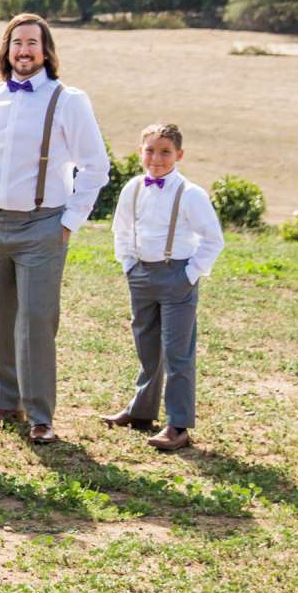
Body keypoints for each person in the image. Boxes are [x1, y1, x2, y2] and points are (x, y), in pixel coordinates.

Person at [0, 13, 110, 445]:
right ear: (6, 50)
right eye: (16, 43)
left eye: (32, 44)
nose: (23, 51)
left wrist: (69, 221)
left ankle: (41, 414)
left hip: (42, 225)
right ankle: (6, 404)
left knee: (37, 320)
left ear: (46, 51)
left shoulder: (68, 100)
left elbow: (96, 166)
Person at [104, 121, 224, 453]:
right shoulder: (133, 188)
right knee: (146, 344)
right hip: (141, 273)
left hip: (177, 276)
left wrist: (191, 273)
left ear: (179, 155)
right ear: (141, 152)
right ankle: (141, 410)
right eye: (150, 150)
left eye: (165, 152)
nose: (157, 158)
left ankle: (178, 424)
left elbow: (213, 239)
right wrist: (128, 264)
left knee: (177, 352)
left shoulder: (190, 194)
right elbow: (122, 229)